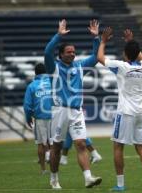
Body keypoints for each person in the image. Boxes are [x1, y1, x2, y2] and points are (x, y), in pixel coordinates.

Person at [97, 27, 142, 191]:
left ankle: (120, 184)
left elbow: (100, 58)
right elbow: (141, 55)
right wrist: (131, 42)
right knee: (141, 147)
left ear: (125, 54)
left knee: (118, 147)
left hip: (126, 112)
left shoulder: (121, 66)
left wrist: (103, 41)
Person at [44, 19, 102, 189]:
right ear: (61, 54)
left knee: (81, 144)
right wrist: (58, 36)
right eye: (68, 52)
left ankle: (88, 178)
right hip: (59, 111)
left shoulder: (79, 66)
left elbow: (95, 57)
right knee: (57, 147)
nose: (72, 54)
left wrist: (96, 38)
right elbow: (47, 52)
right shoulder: (53, 67)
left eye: (73, 52)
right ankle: (54, 178)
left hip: (76, 111)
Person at [23, 63, 52, 174]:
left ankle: (43, 169)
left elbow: (27, 105)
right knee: (54, 143)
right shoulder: (52, 83)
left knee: (40, 143)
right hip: (54, 116)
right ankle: (54, 169)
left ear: (35, 73)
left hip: (40, 117)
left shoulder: (32, 86)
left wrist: (28, 117)